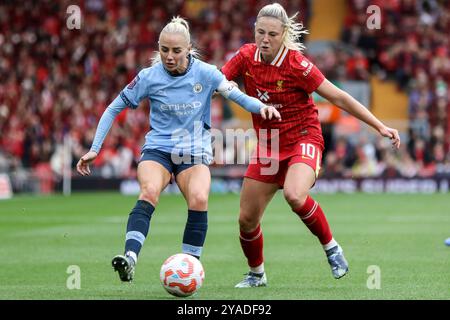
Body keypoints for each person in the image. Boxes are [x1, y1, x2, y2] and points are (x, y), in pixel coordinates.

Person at [76, 16, 281, 282]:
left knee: (198, 198)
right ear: (158, 48)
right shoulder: (148, 77)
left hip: (194, 152)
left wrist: (261, 107)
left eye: (175, 51)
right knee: (149, 191)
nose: (169, 56)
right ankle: (129, 258)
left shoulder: (206, 73)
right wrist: (95, 147)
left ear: (188, 49)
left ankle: (189, 270)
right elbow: (114, 107)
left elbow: (237, 96)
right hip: (159, 149)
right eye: (163, 50)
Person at [221, 3, 401, 287]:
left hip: (304, 137)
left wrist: (379, 125)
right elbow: (217, 82)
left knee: (294, 194)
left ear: (284, 34)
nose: (265, 39)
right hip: (269, 145)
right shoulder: (245, 57)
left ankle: (331, 248)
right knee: (246, 219)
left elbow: (339, 97)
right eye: (260, 33)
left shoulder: (297, 65)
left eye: (272, 34)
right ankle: (256, 274)